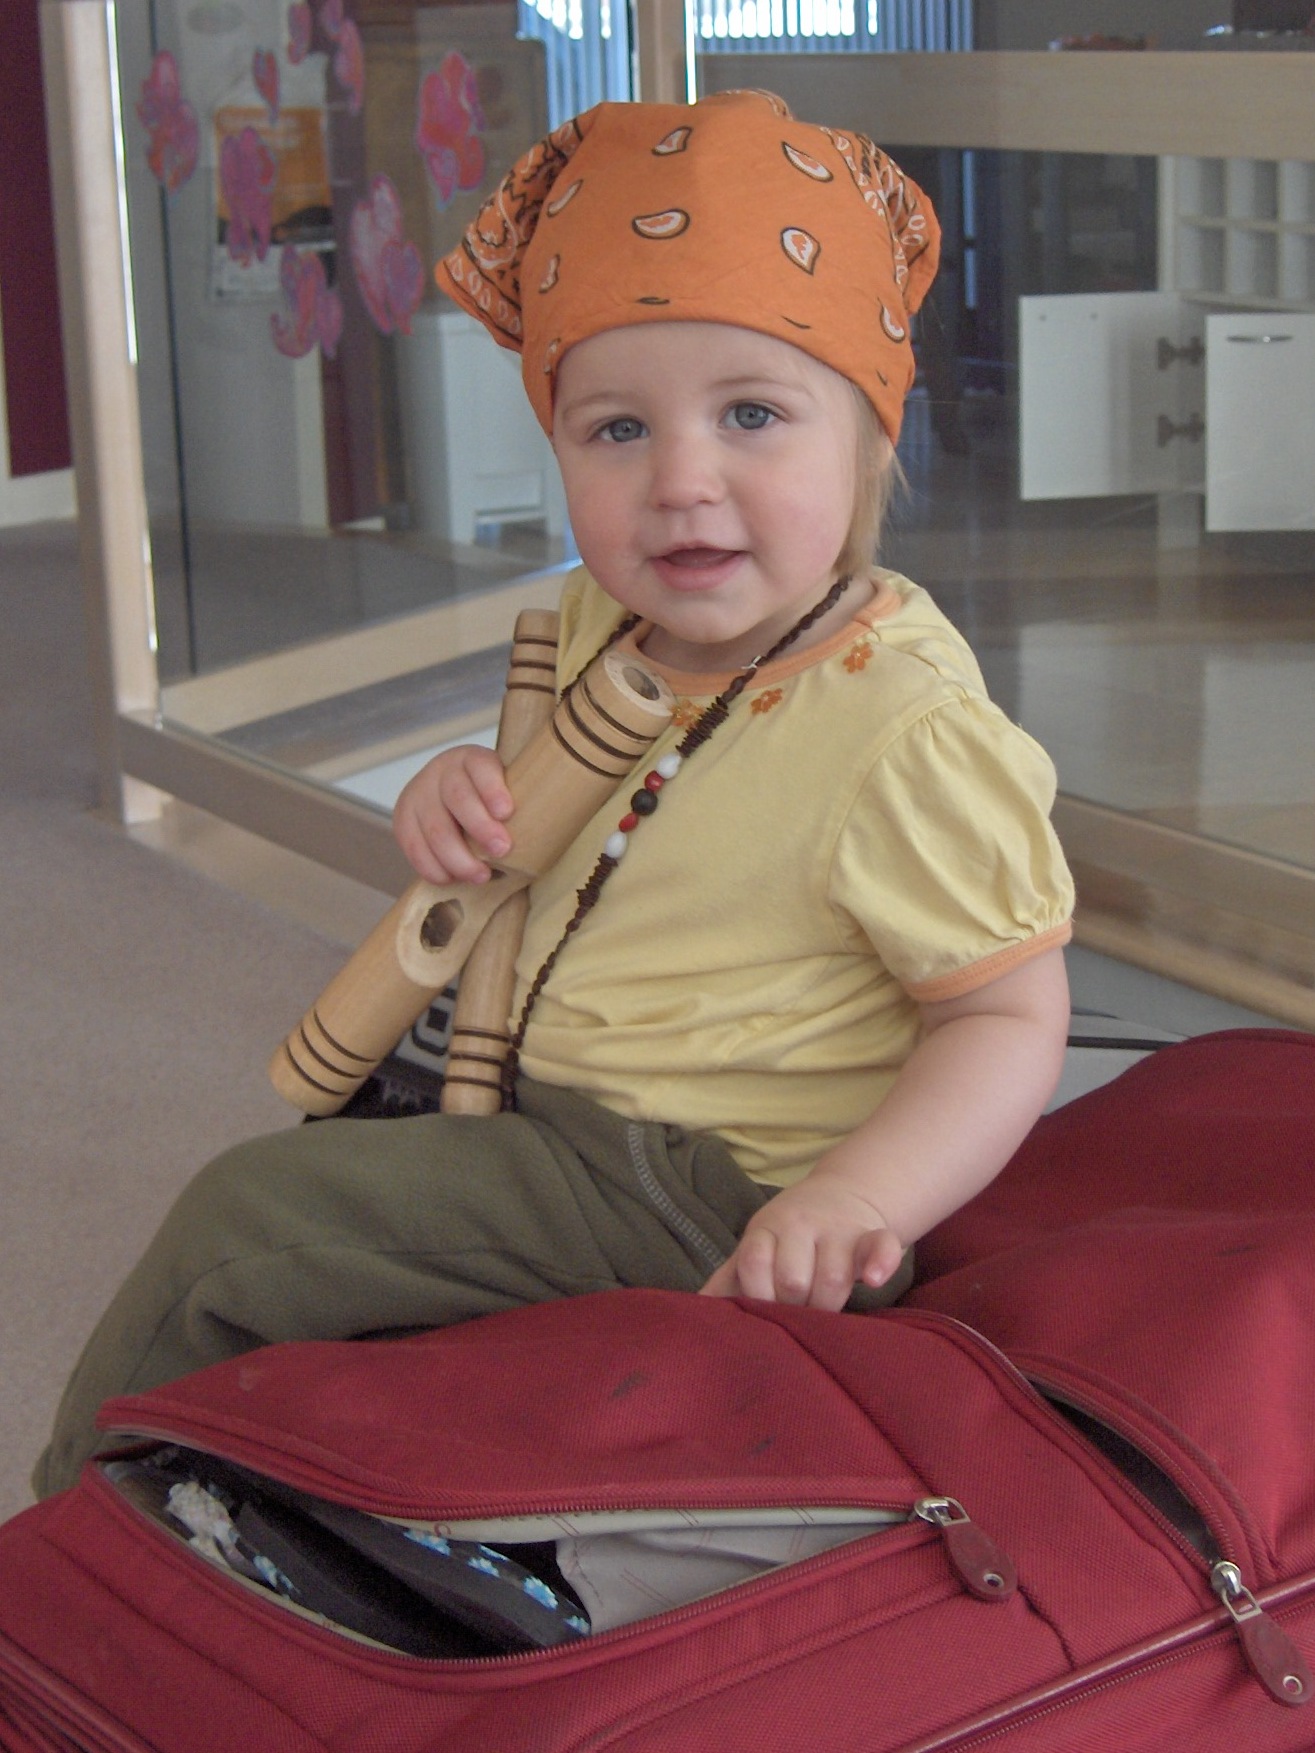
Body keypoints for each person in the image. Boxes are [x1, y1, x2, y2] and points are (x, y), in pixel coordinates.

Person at [35, 91, 1073, 1499]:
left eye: (753, 414)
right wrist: (456, 794)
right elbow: (559, 835)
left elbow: (1006, 1015)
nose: (682, 480)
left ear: (870, 439)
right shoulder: (606, 621)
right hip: (551, 1097)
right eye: (617, 428)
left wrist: (855, 1198)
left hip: (713, 1186)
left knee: (247, 1227)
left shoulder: (901, 729)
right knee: (346, 1204)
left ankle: (57, 1531)